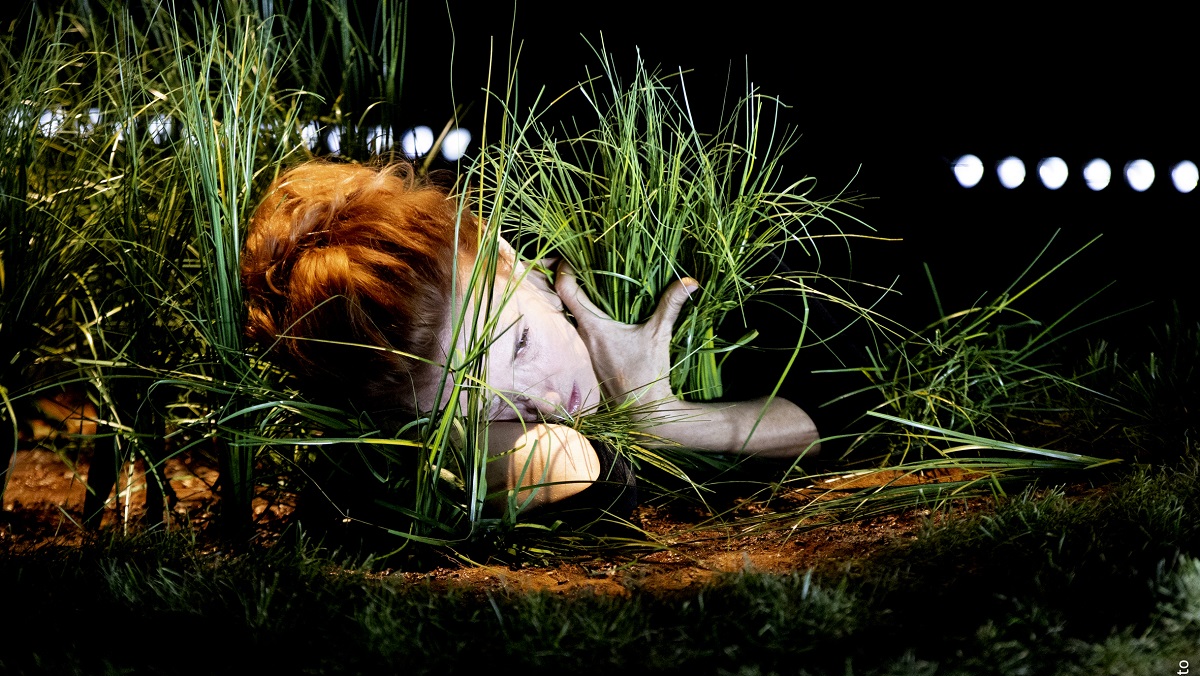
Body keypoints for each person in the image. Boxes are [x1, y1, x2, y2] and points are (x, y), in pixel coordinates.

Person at [241, 160, 822, 515]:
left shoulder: (658, 269)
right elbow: (563, 463)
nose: (542, 401)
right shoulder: (386, 444)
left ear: (512, 264)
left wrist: (674, 413)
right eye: (489, 408)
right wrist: (656, 419)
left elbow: (840, 421)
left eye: (519, 345)